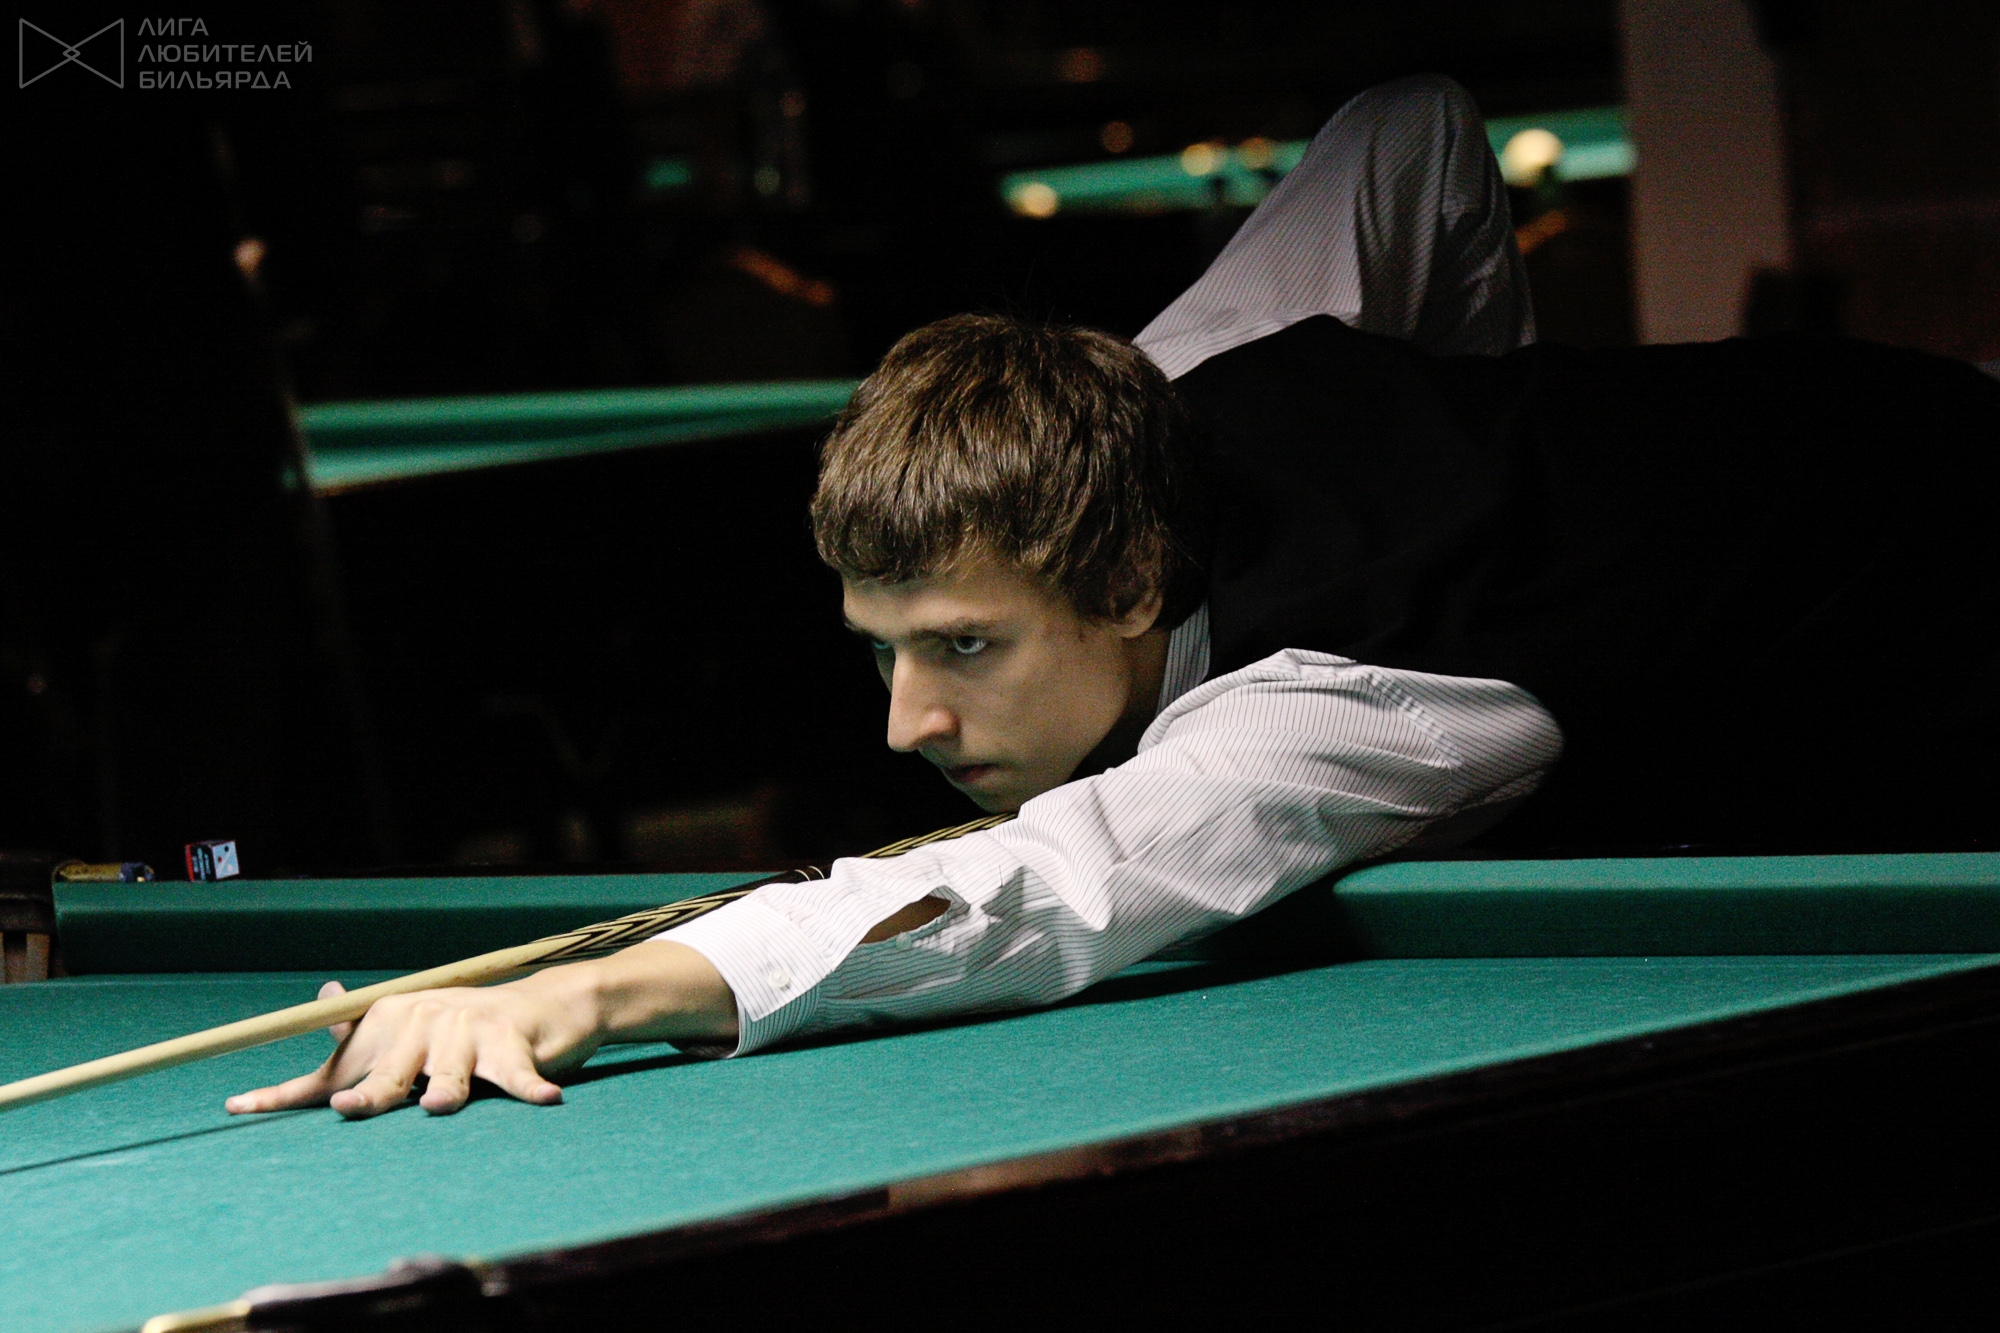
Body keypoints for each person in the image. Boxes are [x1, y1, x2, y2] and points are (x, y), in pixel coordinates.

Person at [228, 77, 2000, 1121]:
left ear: (1139, 576)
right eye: (884, 651)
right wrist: (1469, 418)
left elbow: (1057, 884)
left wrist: (598, 997)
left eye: (966, 647)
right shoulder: (1164, 389)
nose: (911, 724)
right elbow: (1412, 134)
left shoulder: (1340, 698)